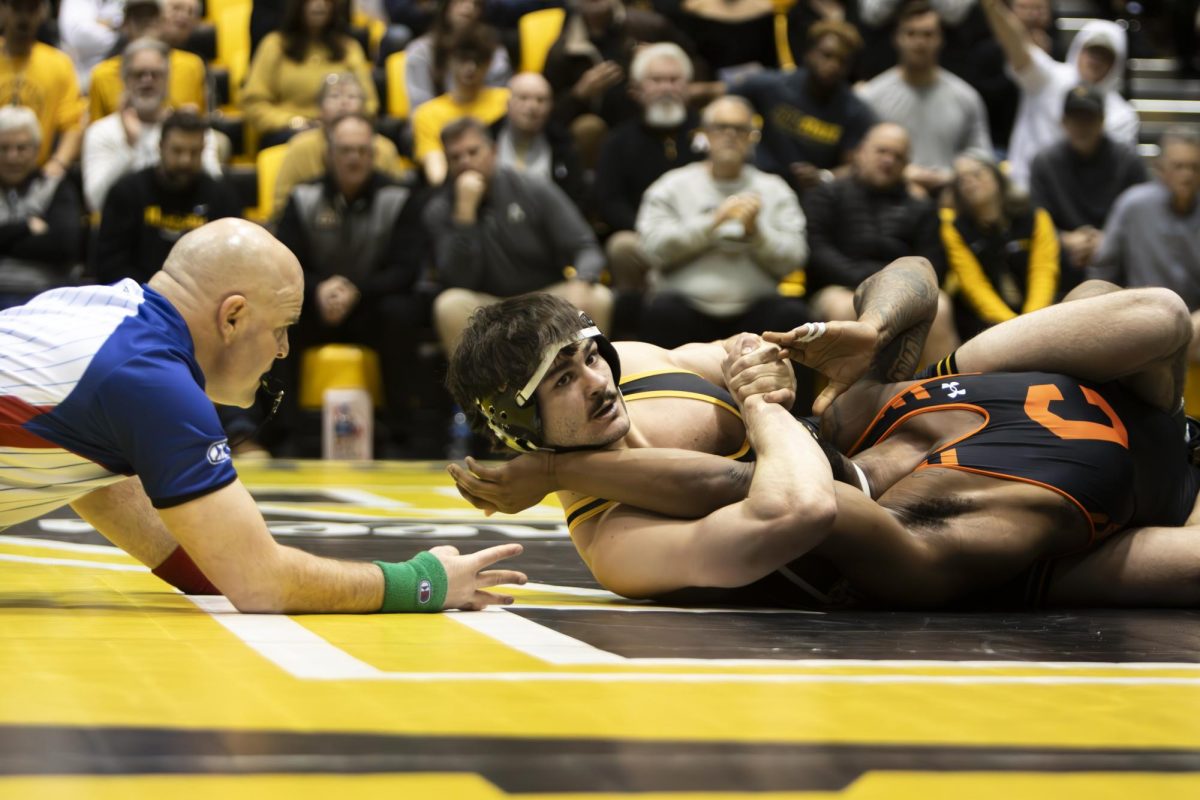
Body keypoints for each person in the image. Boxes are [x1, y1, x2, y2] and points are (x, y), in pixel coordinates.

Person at [445, 265, 1199, 610]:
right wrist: (766, 407)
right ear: (518, 423)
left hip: (922, 425)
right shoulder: (617, 544)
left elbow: (914, 273)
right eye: (562, 382)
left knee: (1150, 313)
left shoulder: (637, 365)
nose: (598, 381)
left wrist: (862, 333)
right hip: (961, 524)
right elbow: (796, 507)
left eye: (587, 355)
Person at [0, 217, 526, 612]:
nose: (282, 351)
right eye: (282, 327)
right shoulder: (148, 377)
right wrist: (422, 581)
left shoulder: (95, 310)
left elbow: (104, 486)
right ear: (232, 316)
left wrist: (224, 566)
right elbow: (260, 583)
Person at [274, 113, 429, 454]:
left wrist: (355, 290)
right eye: (345, 150)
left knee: (403, 314)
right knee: (278, 317)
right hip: (314, 305)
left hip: (372, 307)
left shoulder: (399, 197)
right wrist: (319, 289)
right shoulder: (303, 197)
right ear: (330, 154)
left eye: (361, 150)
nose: (354, 158)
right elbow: (286, 261)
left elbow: (406, 268)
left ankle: (403, 435)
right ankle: (283, 435)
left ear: (372, 155)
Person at [635, 96, 811, 351]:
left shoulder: (775, 189)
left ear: (753, 136)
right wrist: (713, 222)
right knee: (660, 311)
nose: (730, 135)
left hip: (757, 311)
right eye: (720, 128)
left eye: (740, 129)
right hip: (685, 307)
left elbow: (794, 257)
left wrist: (756, 233)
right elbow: (652, 250)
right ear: (704, 134)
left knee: (792, 315)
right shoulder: (671, 185)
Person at [424, 116, 611, 355]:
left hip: (546, 296)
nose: (466, 162)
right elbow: (458, 280)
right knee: (449, 304)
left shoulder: (532, 186)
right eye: (456, 157)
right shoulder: (439, 209)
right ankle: (480, 392)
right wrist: (464, 216)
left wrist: (582, 280)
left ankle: (595, 380)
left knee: (599, 297)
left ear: (493, 151)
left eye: (473, 152)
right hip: (490, 305)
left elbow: (585, 245)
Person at [801, 121, 955, 360]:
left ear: (906, 165)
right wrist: (869, 281)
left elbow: (933, 264)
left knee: (941, 307)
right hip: (839, 287)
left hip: (902, 290)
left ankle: (944, 394)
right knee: (843, 309)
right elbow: (817, 250)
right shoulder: (827, 194)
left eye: (898, 156)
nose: (889, 160)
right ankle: (852, 398)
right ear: (861, 152)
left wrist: (893, 286)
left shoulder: (921, 207)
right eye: (882, 151)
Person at [980, 0, 1137, 190]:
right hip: (1026, 192)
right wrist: (992, 6)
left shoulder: (1123, 115)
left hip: (1083, 200)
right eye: (1091, 51)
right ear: (1079, 48)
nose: (1096, 61)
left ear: (1117, 63)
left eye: (1105, 56)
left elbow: (1112, 166)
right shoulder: (1048, 77)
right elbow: (1017, 46)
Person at [592, 42, 703, 292]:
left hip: (704, 236)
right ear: (637, 90)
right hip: (644, 237)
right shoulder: (617, 142)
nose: (666, 88)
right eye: (656, 80)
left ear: (687, 87)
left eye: (674, 80)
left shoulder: (710, 133)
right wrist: (654, 232)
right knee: (621, 246)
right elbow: (609, 202)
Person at [856, 0, 991, 196]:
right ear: (897, 38)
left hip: (951, 195)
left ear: (940, 39)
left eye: (928, 34)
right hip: (888, 196)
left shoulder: (966, 97)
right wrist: (901, 172)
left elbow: (981, 153)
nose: (920, 42)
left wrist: (950, 175)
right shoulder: (871, 95)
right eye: (911, 34)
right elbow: (857, 155)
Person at [1088, 126, 1200, 361]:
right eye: (1179, 166)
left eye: (1195, 167)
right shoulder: (1133, 206)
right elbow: (1102, 269)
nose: (1187, 175)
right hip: (1142, 322)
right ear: (1161, 169)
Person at [93, 110, 240, 285]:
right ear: (161, 146)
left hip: (199, 300)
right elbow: (109, 264)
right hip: (136, 296)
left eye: (194, 152)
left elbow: (233, 263)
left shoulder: (222, 196)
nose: (185, 160)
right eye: (177, 151)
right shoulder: (127, 192)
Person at [730, 18, 874, 196]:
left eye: (842, 61)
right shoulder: (774, 85)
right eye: (827, 55)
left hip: (811, 193)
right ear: (809, 53)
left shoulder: (854, 110)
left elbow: (856, 166)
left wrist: (824, 176)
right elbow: (723, 98)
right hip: (760, 182)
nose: (833, 65)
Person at [1028, 85, 1148, 295]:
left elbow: (1142, 218)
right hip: (1061, 256)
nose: (1082, 126)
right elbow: (1035, 219)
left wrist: (1109, 240)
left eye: (1089, 119)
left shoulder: (1128, 161)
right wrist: (1065, 239)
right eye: (1076, 119)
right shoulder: (1045, 162)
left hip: (1118, 257)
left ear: (1102, 121)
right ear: (1064, 122)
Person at [81, 38, 222, 213]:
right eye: (138, 74)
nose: (147, 81)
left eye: (156, 74)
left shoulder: (190, 129)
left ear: (168, 79)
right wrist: (130, 148)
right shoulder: (101, 132)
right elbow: (96, 201)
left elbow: (216, 194)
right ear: (124, 79)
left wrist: (190, 141)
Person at [940, 150, 1058, 339]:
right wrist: (1011, 325)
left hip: (1039, 315)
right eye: (961, 180)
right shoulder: (955, 229)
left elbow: (1043, 271)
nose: (969, 182)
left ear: (997, 175)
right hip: (986, 324)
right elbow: (974, 285)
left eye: (977, 174)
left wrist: (1032, 320)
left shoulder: (1035, 216)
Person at [240, 0, 379, 148]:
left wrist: (343, 121)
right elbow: (253, 103)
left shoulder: (350, 48)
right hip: (289, 132)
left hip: (342, 132)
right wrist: (294, 122)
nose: (319, 4)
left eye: (326, 1)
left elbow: (369, 103)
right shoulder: (274, 45)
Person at [271, 70, 405, 221]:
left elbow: (399, 204)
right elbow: (281, 205)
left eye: (352, 97)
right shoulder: (300, 148)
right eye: (334, 96)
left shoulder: (384, 148)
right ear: (319, 109)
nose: (344, 102)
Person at [0, 105, 82, 309]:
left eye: (21, 148)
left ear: (37, 150)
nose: (12, 156)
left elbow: (64, 246)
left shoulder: (56, 186)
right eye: (4, 148)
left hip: (44, 297)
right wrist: (26, 228)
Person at [410, 24, 510, 185]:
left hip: (505, 184)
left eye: (478, 61)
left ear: (489, 63)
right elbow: (437, 175)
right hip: (453, 189)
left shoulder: (507, 101)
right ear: (450, 60)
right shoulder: (427, 113)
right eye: (463, 59)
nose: (470, 68)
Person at [86, 0, 208, 123]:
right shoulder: (102, 75)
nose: (146, 21)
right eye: (137, 16)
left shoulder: (191, 67)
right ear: (125, 25)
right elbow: (96, 131)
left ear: (164, 21)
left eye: (153, 15)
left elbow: (202, 123)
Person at [0, 0, 86, 174]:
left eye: (32, 9)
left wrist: (58, 164)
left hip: (38, 175)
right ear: (3, 10)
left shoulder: (59, 64)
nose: (24, 18)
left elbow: (73, 125)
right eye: (17, 8)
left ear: (42, 13)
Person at [490, 72, 585, 210]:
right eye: (523, 98)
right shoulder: (487, 137)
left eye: (541, 100)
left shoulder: (564, 145)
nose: (532, 106)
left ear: (551, 106)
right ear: (508, 103)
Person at [403, 0, 510, 112]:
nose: (468, 8)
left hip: (488, 121)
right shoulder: (420, 51)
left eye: (476, 4)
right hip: (436, 123)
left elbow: (500, 103)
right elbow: (420, 110)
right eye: (460, 1)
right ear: (445, 6)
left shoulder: (494, 50)